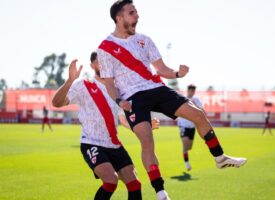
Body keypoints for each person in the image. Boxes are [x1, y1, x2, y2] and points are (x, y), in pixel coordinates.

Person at [97, 1, 247, 199]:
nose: (137, 16)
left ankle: (220, 158)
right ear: (119, 18)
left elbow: (162, 70)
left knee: (198, 114)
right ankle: (161, 192)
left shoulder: (144, 40)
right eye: (132, 13)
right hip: (132, 98)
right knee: (147, 141)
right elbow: (109, 83)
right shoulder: (105, 48)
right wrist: (119, 101)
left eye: (137, 13)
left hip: (157, 88)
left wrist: (177, 73)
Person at [52, 52, 160, 200]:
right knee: (111, 181)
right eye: (99, 62)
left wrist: (143, 125)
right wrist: (70, 81)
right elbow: (57, 103)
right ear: (92, 65)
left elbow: (122, 119)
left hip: (114, 145)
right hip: (92, 143)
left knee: (135, 184)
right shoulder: (84, 86)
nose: (104, 65)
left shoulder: (117, 90)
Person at [177, 84, 203, 171]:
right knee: (185, 145)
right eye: (190, 90)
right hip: (183, 125)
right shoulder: (183, 98)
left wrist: (194, 104)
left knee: (189, 147)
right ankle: (187, 164)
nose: (191, 92)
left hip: (192, 126)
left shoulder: (196, 100)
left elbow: (202, 111)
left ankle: (185, 153)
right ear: (188, 90)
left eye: (193, 91)